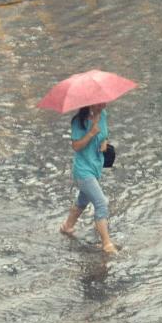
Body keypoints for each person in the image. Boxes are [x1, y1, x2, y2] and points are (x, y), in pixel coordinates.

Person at [60, 103, 117, 253]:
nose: (104, 104)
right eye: (100, 102)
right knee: (101, 203)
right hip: (83, 171)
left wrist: (104, 142)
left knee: (83, 201)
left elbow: (104, 134)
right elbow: (76, 146)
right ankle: (107, 243)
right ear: (91, 103)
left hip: (96, 168)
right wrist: (91, 133)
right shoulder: (78, 121)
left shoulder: (103, 115)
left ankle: (67, 226)